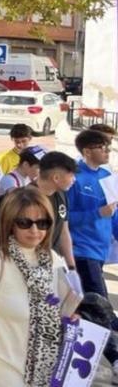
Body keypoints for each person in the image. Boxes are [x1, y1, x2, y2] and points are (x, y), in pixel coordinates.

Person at [0, 187, 75, 387]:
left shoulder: (53, 260)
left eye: (42, 223)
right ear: (10, 222)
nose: (34, 230)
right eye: (24, 222)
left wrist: (72, 318)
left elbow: (62, 311)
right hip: (2, 375)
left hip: (46, 377)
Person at [67, 129, 118, 321]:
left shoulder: (107, 176)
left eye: (109, 147)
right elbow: (65, 217)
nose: (107, 152)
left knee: (91, 308)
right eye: (102, 147)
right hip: (81, 250)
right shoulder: (73, 177)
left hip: (100, 250)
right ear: (87, 151)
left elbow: (114, 214)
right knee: (101, 306)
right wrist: (97, 213)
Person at [33, 151, 79, 272]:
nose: (74, 180)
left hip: (51, 264)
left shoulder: (62, 196)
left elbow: (64, 232)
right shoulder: (26, 198)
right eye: (71, 175)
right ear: (56, 178)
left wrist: (71, 267)